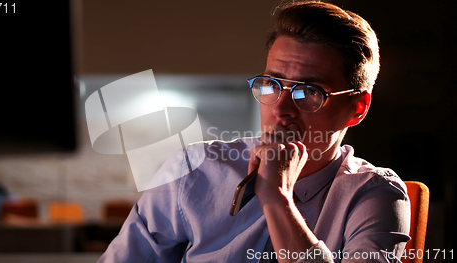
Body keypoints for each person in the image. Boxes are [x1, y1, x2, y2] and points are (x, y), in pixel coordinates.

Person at [99, 1, 410, 262]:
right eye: (272, 85)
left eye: (309, 91)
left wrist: (277, 200)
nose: (280, 109)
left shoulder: (374, 194)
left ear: (357, 108)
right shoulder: (193, 169)